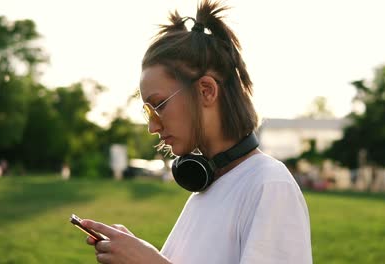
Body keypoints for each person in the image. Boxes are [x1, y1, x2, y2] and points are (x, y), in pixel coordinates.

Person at [81, 1, 312, 263]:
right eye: (148, 111)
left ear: (206, 91)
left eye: (159, 105)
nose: (152, 126)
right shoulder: (208, 188)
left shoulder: (268, 185)